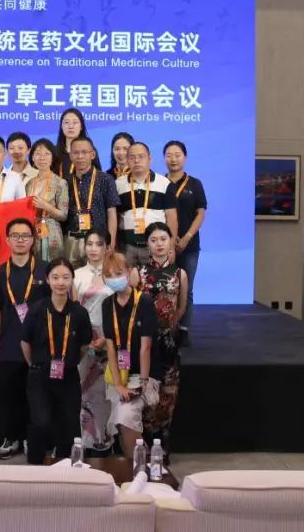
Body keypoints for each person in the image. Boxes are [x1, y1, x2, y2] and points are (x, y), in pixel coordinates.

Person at [21, 258, 94, 465]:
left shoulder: (79, 313)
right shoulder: (37, 310)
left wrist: (71, 362)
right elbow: (25, 342)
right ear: (47, 280)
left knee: (69, 423)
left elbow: (84, 345)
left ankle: (65, 465)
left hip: (68, 376)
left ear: (72, 279)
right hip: (40, 375)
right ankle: (35, 464)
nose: (60, 282)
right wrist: (33, 365)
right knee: (41, 421)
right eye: (55, 277)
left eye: (65, 277)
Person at [0, 218, 48, 460]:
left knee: (38, 397)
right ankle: (11, 438)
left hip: (40, 345)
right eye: (15, 236)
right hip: (10, 344)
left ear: (33, 240)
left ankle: (34, 440)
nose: (20, 240)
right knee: (11, 396)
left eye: (25, 236)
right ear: (8, 240)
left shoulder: (45, 270)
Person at [135, 222, 187, 457]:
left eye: (163, 239)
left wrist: (169, 324)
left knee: (168, 395)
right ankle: (142, 446)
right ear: (147, 244)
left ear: (171, 242)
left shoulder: (180, 274)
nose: (159, 244)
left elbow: (181, 306)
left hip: (168, 342)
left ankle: (161, 447)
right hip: (144, 342)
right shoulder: (138, 272)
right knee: (145, 393)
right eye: (154, 240)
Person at [102, 252, 158, 460]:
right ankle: (133, 464)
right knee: (119, 419)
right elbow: (110, 348)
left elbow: (146, 348)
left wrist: (142, 383)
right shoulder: (107, 304)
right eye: (109, 275)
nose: (114, 278)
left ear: (128, 272)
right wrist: (118, 384)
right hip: (119, 375)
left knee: (126, 415)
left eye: (118, 273)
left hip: (142, 374)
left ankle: (140, 465)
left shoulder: (144, 301)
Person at [72, 228, 117, 454]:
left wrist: (109, 338)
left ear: (107, 247)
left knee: (107, 391)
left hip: (109, 340)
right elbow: (73, 309)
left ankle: (106, 441)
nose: (93, 249)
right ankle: (86, 442)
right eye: (89, 243)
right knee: (85, 391)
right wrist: (84, 339)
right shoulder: (76, 275)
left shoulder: (115, 274)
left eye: (99, 244)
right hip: (84, 341)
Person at [164, 140, 206, 345]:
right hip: (164, 246)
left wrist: (187, 237)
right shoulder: (159, 183)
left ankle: (183, 329)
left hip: (189, 246)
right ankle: (165, 327)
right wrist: (170, 240)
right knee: (165, 287)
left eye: (177, 154)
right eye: (169, 155)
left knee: (186, 288)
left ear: (185, 157)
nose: (173, 159)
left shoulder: (195, 184)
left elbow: (201, 213)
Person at [116, 142, 178, 267]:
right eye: (132, 157)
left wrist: (171, 247)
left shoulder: (164, 183)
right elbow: (115, 217)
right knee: (128, 279)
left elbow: (172, 218)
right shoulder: (118, 184)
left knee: (156, 279)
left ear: (150, 159)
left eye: (141, 156)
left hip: (156, 248)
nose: (136, 161)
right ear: (127, 160)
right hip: (127, 248)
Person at [64, 137, 120, 265]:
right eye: (76, 152)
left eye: (84, 152)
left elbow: (112, 212)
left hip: (98, 241)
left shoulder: (106, 179)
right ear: (70, 156)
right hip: (71, 241)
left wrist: (111, 242)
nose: (80, 156)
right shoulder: (65, 181)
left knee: (98, 276)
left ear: (92, 154)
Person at [26, 139, 69, 260]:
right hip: (32, 232)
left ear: (52, 158)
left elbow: (63, 216)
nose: (42, 158)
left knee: (52, 267)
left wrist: (46, 206)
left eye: (46, 154)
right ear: (32, 158)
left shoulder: (60, 182)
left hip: (52, 233)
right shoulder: (29, 184)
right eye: (38, 154)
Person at [55, 108, 90, 177]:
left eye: (75, 122)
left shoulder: (89, 151)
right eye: (66, 122)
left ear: (81, 127)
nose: (71, 126)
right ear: (61, 126)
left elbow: (97, 177)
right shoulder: (53, 151)